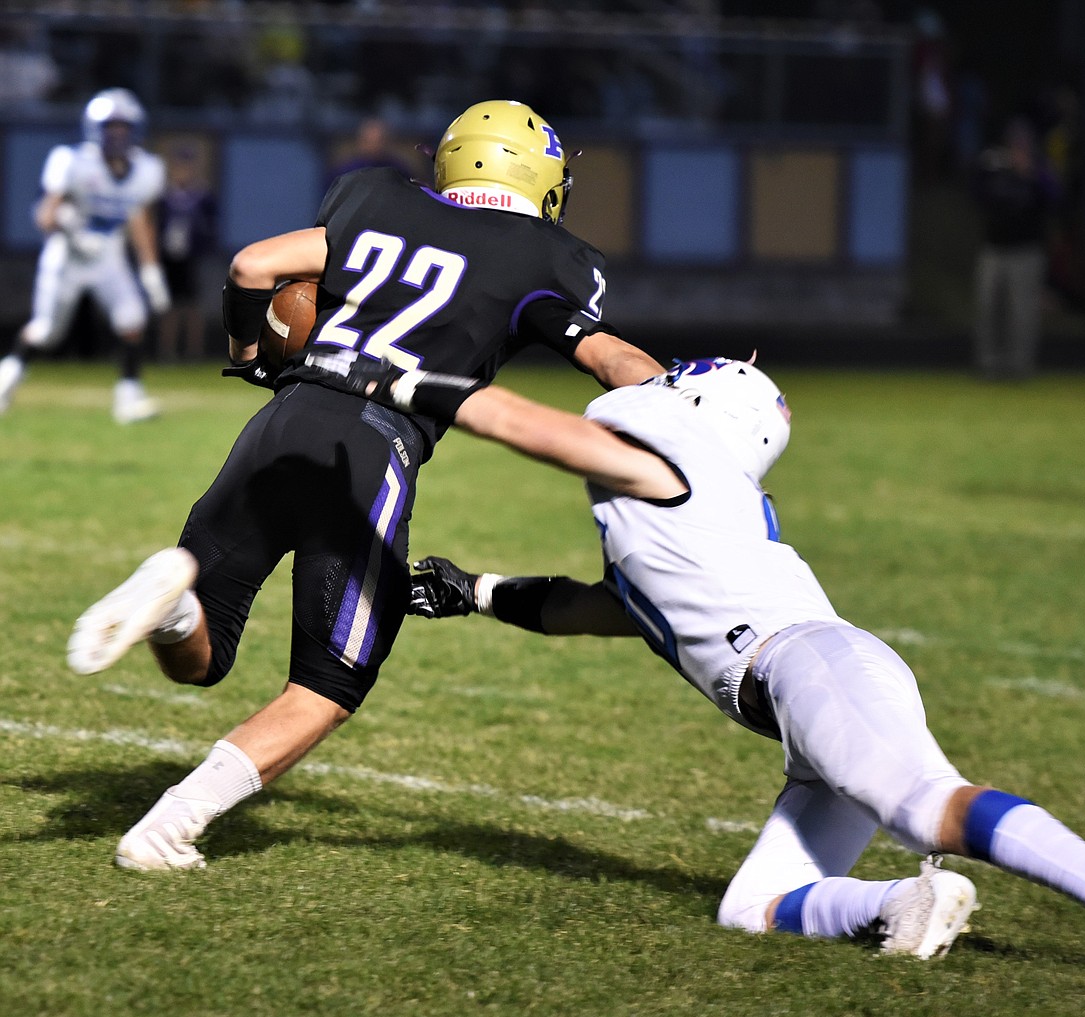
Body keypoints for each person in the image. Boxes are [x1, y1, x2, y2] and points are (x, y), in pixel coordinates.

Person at [378, 355, 1085, 967]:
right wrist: (477, 591)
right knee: (752, 905)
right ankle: (910, 903)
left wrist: (391, 379)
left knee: (928, 807)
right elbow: (580, 610)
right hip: (811, 688)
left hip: (810, 665)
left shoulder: (667, 474)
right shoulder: (677, 535)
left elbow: (525, 424)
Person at [64, 99, 665, 872]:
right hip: (373, 445)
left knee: (202, 655)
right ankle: (168, 827)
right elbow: (607, 354)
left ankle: (177, 604)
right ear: (541, 176)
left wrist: (252, 354)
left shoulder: (375, 198)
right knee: (328, 681)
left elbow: (253, 266)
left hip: (282, 421)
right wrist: (677, 397)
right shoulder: (550, 257)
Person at [0, 88, 171, 423]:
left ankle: (129, 398)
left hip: (108, 256)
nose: (118, 134)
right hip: (67, 256)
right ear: (96, 129)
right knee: (47, 331)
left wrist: (151, 272)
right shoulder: (72, 161)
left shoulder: (147, 169)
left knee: (132, 319)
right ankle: (7, 378)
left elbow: (139, 222)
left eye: (124, 127)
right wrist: (71, 231)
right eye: (111, 127)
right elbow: (44, 216)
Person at [971, 116, 1059, 380]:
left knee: (1022, 312)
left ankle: (1019, 366)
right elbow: (976, 194)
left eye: (1023, 142)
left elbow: (1056, 197)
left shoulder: (1038, 168)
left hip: (1026, 250)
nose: (1018, 148)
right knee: (988, 308)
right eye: (1014, 142)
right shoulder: (994, 164)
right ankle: (988, 365)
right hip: (994, 247)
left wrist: (1031, 173)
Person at [157, 144, 218, 361]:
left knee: (192, 307)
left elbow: (210, 226)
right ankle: (168, 351)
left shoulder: (202, 196)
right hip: (169, 257)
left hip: (193, 257)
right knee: (169, 306)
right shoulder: (165, 197)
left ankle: (194, 352)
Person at [323, 115, 415, 192]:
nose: (375, 146)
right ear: (361, 142)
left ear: (388, 142)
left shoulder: (400, 171)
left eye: (380, 140)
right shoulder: (344, 173)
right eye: (370, 141)